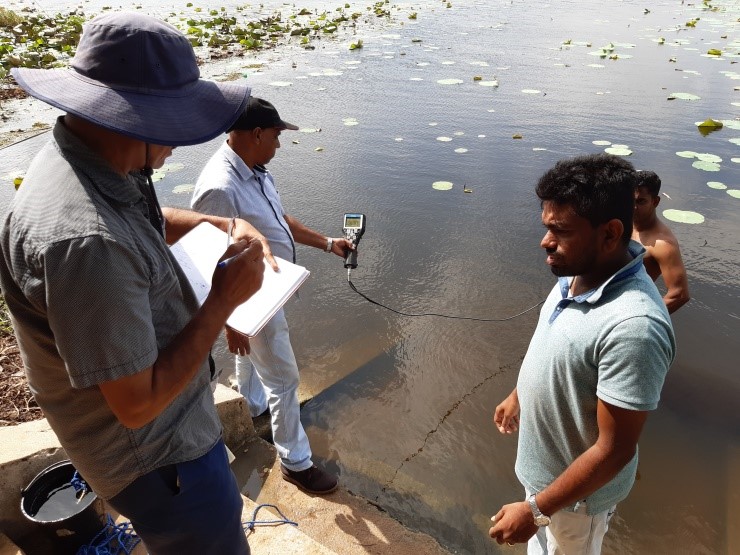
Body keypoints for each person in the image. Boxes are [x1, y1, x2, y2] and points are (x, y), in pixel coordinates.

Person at [0, 12, 275, 554]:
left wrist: (215, 222)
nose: (177, 143)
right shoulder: (85, 243)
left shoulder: (85, 156)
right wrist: (222, 302)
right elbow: (136, 404)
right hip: (158, 460)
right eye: (172, 125)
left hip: (166, 439)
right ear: (130, 119)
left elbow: (139, 219)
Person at [489, 154, 675, 554]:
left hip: (575, 503)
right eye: (546, 226)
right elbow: (552, 341)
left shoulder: (634, 326)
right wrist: (518, 393)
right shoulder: (578, 272)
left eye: (561, 230)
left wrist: (537, 509)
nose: (545, 241)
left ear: (610, 233)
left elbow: (615, 450)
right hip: (546, 482)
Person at [191, 97, 351, 495]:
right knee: (284, 378)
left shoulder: (255, 170)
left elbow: (280, 222)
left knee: (255, 371)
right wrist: (232, 320)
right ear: (257, 133)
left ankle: (253, 410)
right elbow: (206, 258)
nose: (280, 144)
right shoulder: (219, 187)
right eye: (277, 135)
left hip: (269, 290)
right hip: (251, 299)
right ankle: (296, 464)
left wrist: (328, 243)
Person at [632, 170, 690, 314]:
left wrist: (643, 317)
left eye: (641, 201)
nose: (633, 207)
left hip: (632, 305)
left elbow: (679, 295)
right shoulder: (624, 223)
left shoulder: (663, 245)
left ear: (655, 201)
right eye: (630, 200)